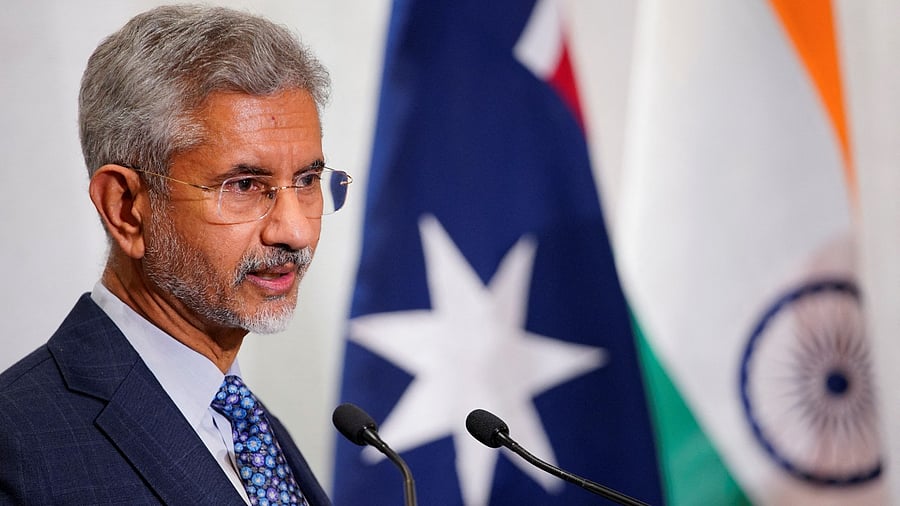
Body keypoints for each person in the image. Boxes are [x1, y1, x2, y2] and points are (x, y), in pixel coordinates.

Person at [0, 5, 351, 505]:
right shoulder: (18, 451)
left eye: (308, 181)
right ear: (125, 208)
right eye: (245, 185)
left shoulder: (252, 430)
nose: (295, 231)